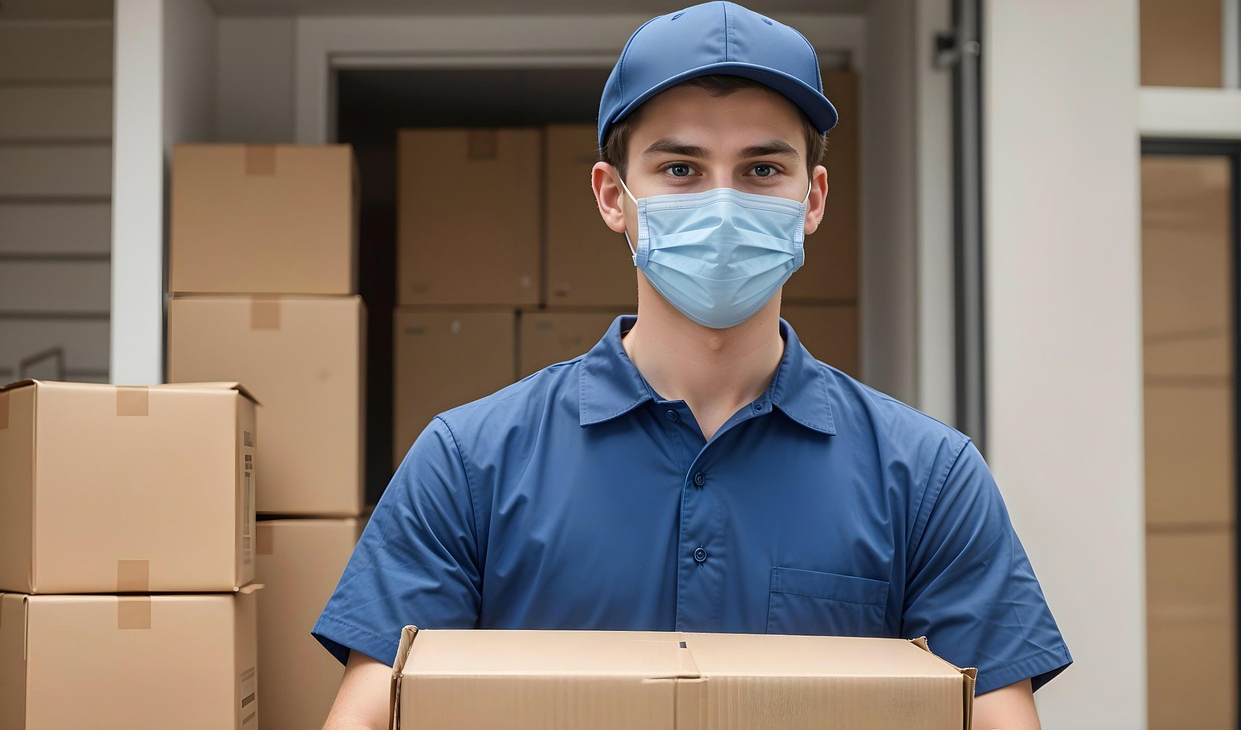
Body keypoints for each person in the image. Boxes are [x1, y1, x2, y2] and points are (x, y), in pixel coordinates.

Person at [316, 3, 1071, 728]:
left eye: (762, 170)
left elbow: (996, 715)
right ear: (615, 197)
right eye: (680, 169)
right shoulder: (469, 462)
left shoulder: (927, 478)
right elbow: (372, 709)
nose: (722, 204)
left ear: (812, 199)